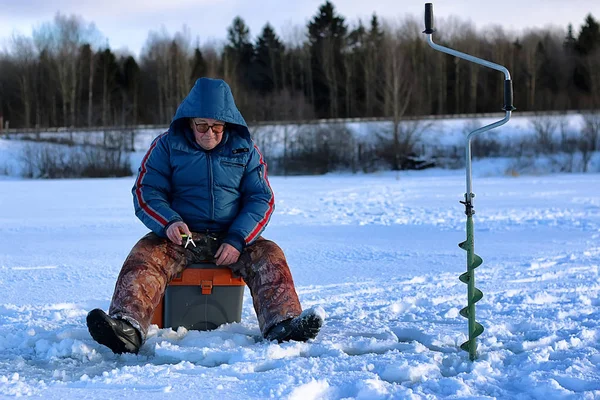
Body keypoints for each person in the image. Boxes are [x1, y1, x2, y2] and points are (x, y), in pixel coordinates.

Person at [86, 77, 323, 354]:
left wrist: (237, 238)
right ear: (189, 122)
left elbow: (261, 198)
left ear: (227, 124)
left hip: (232, 235)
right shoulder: (166, 146)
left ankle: (284, 325)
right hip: (182, 236)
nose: (209, 133)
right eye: (202, 126)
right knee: (145, 255)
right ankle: (127, 326)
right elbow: (146, 190)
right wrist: (169, 222)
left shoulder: (246, 150)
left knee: (270, 254)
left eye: (217, 127)